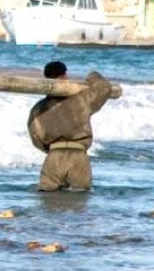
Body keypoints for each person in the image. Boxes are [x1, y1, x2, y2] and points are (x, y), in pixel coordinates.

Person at [27, 60, 112, 191]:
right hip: (78, 156)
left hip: (54, 156)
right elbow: (105, 88)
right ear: (65, 76)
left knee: (47, 200)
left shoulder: (38, 109)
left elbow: (35, 136)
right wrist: (92, 75)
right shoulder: (82, 99)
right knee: (80, 199)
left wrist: (52, 151)